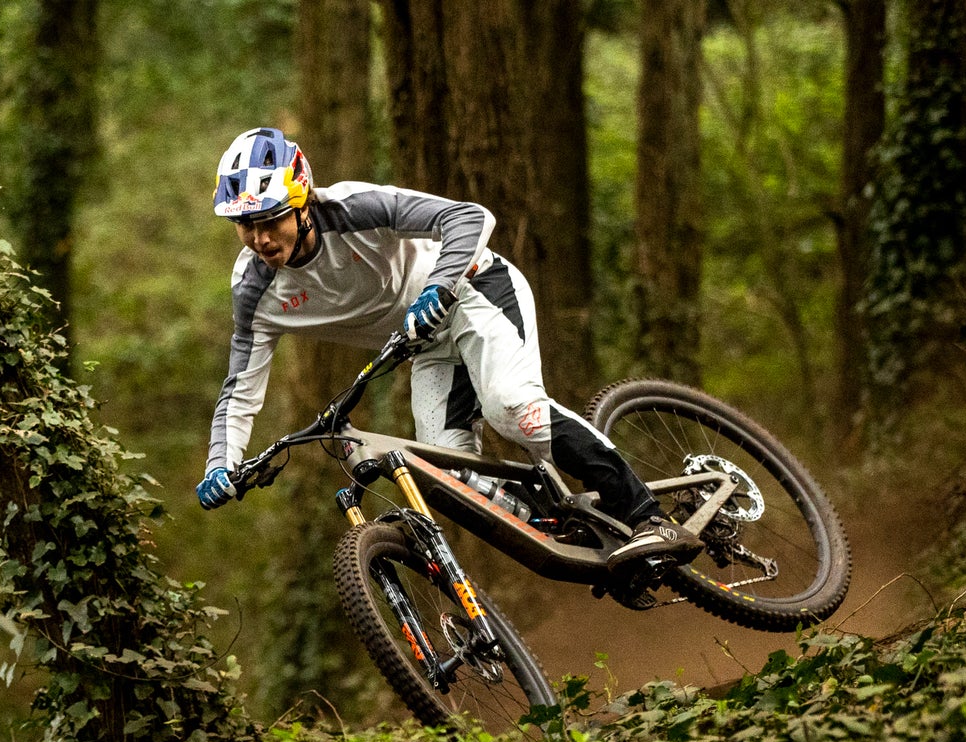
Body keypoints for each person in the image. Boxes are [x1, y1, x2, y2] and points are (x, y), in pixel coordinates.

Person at [195, 127, 699, 569]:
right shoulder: (255, 292)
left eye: (271, 219)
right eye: (246, 225)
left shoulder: (352, 208)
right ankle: (574, 526)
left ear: (301, 201)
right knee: (447, 475)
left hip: (473, 291)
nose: (260, 238)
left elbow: (467, 217)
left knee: (512, 409)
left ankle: (647, 515)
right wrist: (221, 464)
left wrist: (437, 287)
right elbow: (240, 388)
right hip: (427, 347)